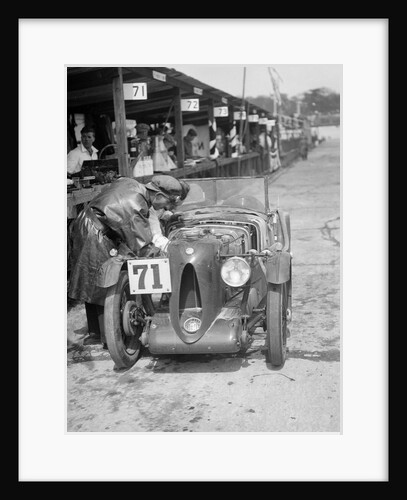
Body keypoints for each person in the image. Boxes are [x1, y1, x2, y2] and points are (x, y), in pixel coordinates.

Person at [68, 175, 190, 346]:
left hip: (86, 222)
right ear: (159, 196)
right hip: (95, 231)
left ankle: (96, 333)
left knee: (91, 279)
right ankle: (108, 339)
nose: (166, 208)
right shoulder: (137, 205)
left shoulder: (133, 184)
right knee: (102, 283)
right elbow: (142, 245)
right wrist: (168, 257)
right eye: (167, 204)